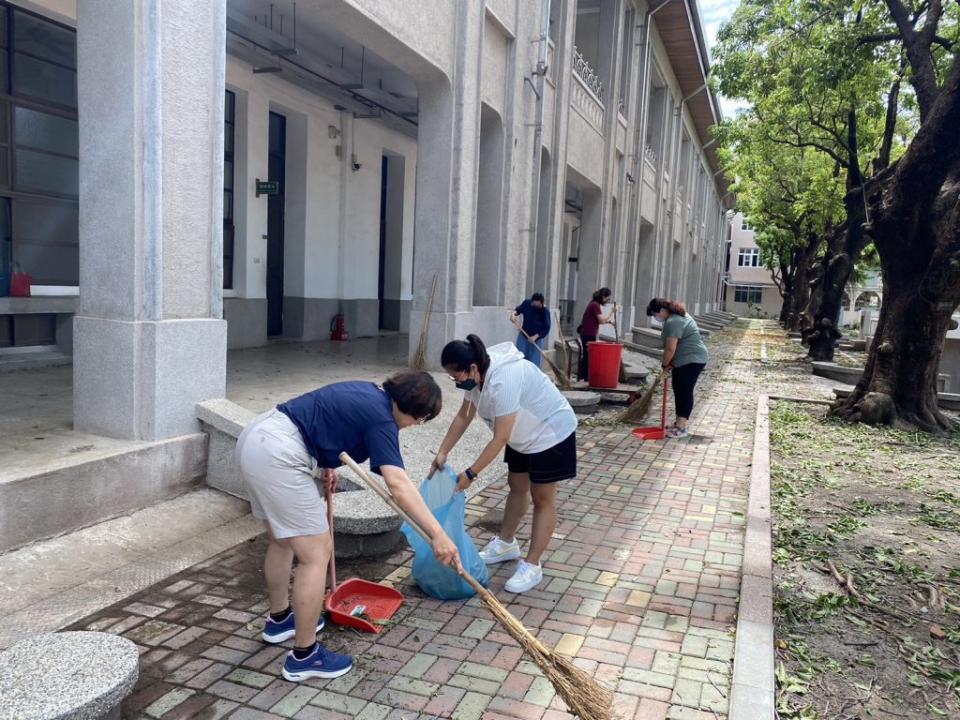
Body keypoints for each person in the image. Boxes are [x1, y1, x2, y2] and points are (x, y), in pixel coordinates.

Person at [235, 373, 461, 682]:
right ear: (407, 406)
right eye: (419, 418)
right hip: (279, 455)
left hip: (257, 438)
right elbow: (398, 484)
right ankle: (305, 656)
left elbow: (326, 417)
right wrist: (439, 535)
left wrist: (326, 463)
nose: (414, 425)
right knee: (316, 553)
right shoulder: (383, 419)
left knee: (282, 540)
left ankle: (280, 621)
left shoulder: (368, 391)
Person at [431, 335, 578, 594]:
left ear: (472, 368)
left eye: (457, 377)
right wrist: (442, 452)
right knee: (516, 485)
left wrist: (471, 473)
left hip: (550, 432)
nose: (457, 382)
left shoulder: (504, 379)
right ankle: (507, 543)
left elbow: (501, 437)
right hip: (522, 433)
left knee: (542, 497)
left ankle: (532, 565)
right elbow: (463, 416)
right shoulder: (476, 378)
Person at [646, 298, 709, 439]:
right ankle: (678, 424)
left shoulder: (674, 321)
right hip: (685, 360)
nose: (656, 318)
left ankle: (681, 428)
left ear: (662, 311)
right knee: (679, 389)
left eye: (656, 315)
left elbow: (670, 348)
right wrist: (670, 364)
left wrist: (665, 365)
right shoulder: (677, 317)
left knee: (684, 391)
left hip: (692, 359)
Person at [578, 287, 615, 381]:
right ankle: (583, 377)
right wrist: (611, 312)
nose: (607, 301)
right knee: (587, 355)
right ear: (603, 296)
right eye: (608, 298)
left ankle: (583, 376)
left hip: (588, 332)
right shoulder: (595, 305)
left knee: (587, 355)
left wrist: (609, 322)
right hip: (588, 333)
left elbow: (598, 320)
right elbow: (601, 320)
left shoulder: (594, 304)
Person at [511, 292, 551, 368]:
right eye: (534, 304)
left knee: (534, 362)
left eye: (537, 305)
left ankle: (533, 378)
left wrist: (535, 337)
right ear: (532, 301)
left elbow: (546, 328)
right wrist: (513, 314)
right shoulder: (527, 303)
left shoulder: (545, 311)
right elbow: (518, 310)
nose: (535, 306)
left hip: (537, 340)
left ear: (541, 304)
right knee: (520, 358)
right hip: (523, 335)